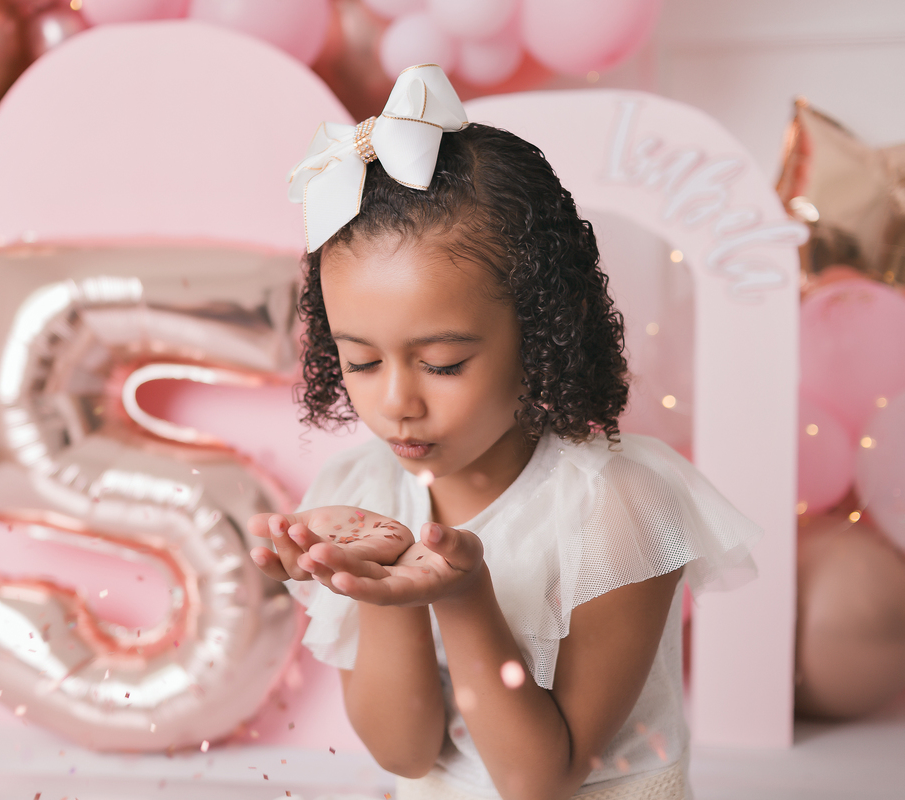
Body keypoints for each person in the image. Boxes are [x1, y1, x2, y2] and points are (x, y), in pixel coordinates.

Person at [247, 66, 760, 800]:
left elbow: (538, 779)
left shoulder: (618, 508)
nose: (396, 402)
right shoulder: (362, 492)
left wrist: (461, 597)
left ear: (545, 331)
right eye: (360, 359)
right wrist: (376, 584)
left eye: (444, 364)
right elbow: (404, 752)